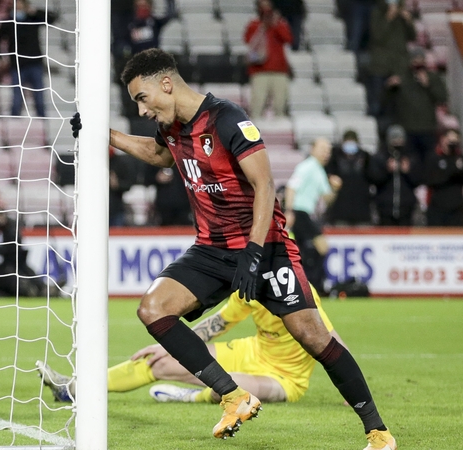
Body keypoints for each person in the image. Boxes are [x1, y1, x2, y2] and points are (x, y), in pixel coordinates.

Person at [72, 48, 395, 448]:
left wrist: (254, 253)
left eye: (142, 98)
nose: (142, 110)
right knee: (153, 308)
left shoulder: (228, 119)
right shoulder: (173, 127)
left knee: (314, 337)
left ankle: (377, 431)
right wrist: (103, 135)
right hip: (211, 250)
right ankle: (233, 396)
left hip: (267, 248)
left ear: (167, 85)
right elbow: (159, 155)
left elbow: (264, 186)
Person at [37, 285, 339, 405]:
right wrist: (171, 345)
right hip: (253, 352)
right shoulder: (247, 289)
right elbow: (214, 325)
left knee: (234, 389)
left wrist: (353, 393)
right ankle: (73, 389)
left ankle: (189, 397)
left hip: (284, 379)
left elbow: (332, 340)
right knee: (157, 361)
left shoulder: (298, 294)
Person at [283, 138, 342, 295]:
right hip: (299, 212)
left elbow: (327, 199)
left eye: (328, 150)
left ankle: (303, 285)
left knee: (300, 253)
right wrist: (289, 211)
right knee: (322, 247)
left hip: (304, 213)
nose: (326, 153)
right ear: (313, 149)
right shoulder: (307, 167)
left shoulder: (319, 170)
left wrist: (334, 188)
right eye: (323, 149)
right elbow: (291, 187)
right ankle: (314, 285)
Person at [0, 0, 58, 117]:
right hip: (17, 66)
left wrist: (35, 11)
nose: (18, 6)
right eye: (15, 3)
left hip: (35, 64)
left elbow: (52, 18)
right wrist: (0, 57)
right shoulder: (7, 22)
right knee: (17, 100)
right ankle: (14, 127)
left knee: (39, 99)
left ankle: (42, 125)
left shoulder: (33, 18)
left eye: (20, 3)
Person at [382, 47, 448, 162]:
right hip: (407, 127)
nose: (418, 64)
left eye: (420, 60)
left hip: (427, 128)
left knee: (429, 160)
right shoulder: (402, 77)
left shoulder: (433, 77)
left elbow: (442, 98)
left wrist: (428, 85)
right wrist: (389, 87)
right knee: (410, 160)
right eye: (415, 61)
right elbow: (385, 101)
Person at [366, 0, 415, 119]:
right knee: (376, 104)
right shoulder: (377, 11)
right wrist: (388, 17)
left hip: (398, 67)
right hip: (380, 66)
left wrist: (409, 21)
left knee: (397, 108)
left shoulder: (403, 13)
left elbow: (412, 36)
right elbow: (377, 36)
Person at [244, 0, 293, 119]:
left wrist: (276, 24)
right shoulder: (254, 24)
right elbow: (248, 40)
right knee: (257, 104)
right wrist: (262, 27)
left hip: (279, 70)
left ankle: (280, 131)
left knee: (280, 103)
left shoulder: (280, 24)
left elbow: (288, 38)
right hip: (259, 70)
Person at [368, 124, 422, 226]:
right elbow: (374, 178)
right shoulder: (380, 156)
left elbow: (418, 180)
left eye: (399, 138)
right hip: (385, 207)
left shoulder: (411, 157)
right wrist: (386, 170)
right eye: (394, 138)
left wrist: (408, 171)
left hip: (406, 207)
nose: (397, 142)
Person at [325, 130, 374, 226]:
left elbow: (374, 176)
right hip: (340, 210)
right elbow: (327, 174)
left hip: (362, 211)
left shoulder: (365, 157)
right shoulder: (335, 157)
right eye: (348, 141)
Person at [424, 128, 463, 226]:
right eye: (450, 140)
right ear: (442, 139)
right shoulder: (433, 157)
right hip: (437, 209)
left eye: (455, 141)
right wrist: (453, 168)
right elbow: (431, 180)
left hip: (457, 209)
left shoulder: (460, 159)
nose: (452, 144)